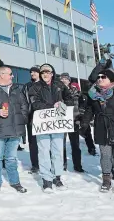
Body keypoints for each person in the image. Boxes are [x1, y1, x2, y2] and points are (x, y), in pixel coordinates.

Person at [81, 69, 114, 194]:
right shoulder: (93, 94)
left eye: (103, 77)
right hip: (101, 127)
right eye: (98, 77)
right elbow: (89, 110)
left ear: (111, 79)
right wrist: (84, 123)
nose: (100, 78)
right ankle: (106, 180)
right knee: (105, 155)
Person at [29, 63, 73, 193]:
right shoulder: (35, 87)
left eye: (48, 72)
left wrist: (64, 104)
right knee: (43, 151)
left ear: (52, 73)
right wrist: (51, 106)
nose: (45, 74)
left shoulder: (60, 86)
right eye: (43, 72)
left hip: (58, 123)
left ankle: (57, 177)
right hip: (43, 124)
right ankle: (46, 180)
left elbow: (70, 99)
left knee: (58, 151)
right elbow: (34, 104)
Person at [59, 73, 84, 173]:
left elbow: (82, 104)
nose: (64, 80)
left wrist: (80, 115)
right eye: (62, 79)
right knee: (61, 145)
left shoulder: (76, 91)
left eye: (66, 79)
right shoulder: (57, 91)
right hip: (62, 121)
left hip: (74, 121)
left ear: (69, 81)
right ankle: (62, 165)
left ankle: (77, 165)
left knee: (75, 145)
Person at [22, 65, 41, 174]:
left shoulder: (45, 85)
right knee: (32, 142)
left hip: (44, 117)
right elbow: (24, 101)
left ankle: (45, 163)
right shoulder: (27, 86)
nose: (32, 74)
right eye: (31, 72)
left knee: (44, 142)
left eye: (35, 72)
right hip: (31, 117)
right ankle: (35, 165)